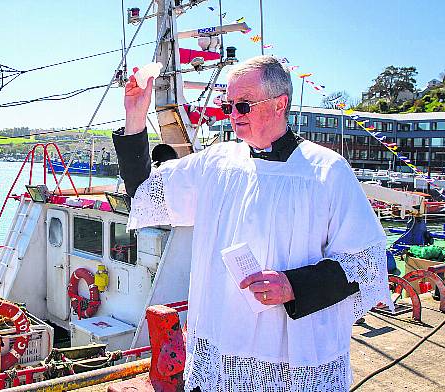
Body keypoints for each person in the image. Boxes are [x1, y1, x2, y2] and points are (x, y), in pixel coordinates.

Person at [113, 55, 391, 391]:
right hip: (221, 350)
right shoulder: (216, 163)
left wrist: (292, 285)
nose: (232, 116)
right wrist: (135, 115)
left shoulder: (326, 171)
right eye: (228, 105)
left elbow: (366, 266)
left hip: (293, 357)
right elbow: (144, 194)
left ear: (279, 104)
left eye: (242, 106)